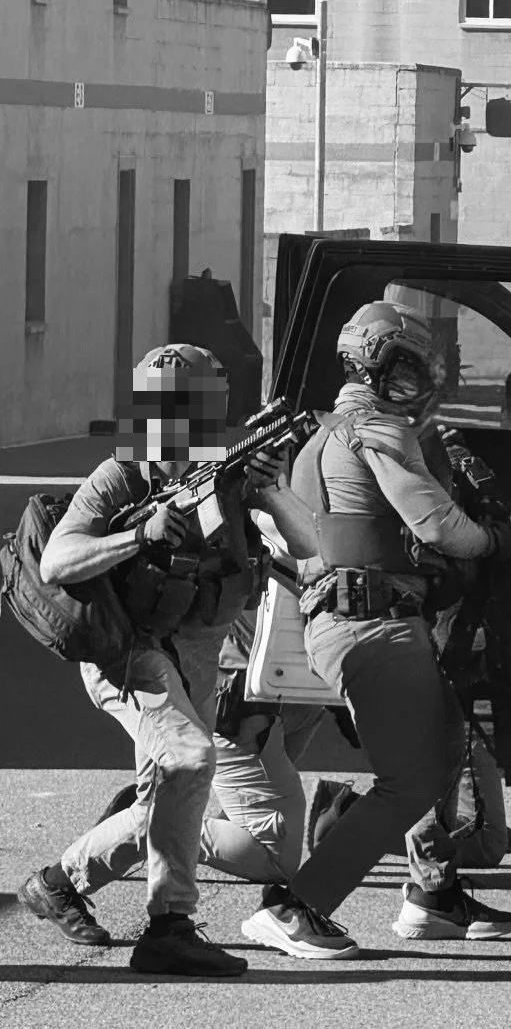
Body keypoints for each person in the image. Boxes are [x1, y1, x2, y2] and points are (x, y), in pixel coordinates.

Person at [18, 344, 318, 977]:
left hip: (199, 655)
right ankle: (170, 926)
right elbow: (56, 561)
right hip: (130, 654)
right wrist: (139, 534)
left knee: (168, 793)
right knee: (191, 760)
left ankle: (57, 883)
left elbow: (310, 545)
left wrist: (273, 488)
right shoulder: (121, 474)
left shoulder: (229, 466)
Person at [239, 300, 511, 960]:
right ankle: (295, 907)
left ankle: (431, 896)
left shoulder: (321, 433)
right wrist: (498, 541)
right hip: (374, 622)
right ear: (369, 366)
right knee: (413, 778)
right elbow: (437, 526)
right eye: (404, 367)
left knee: (439, 754)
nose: (416, 382)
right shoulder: (377, 429)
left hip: (353, 620)